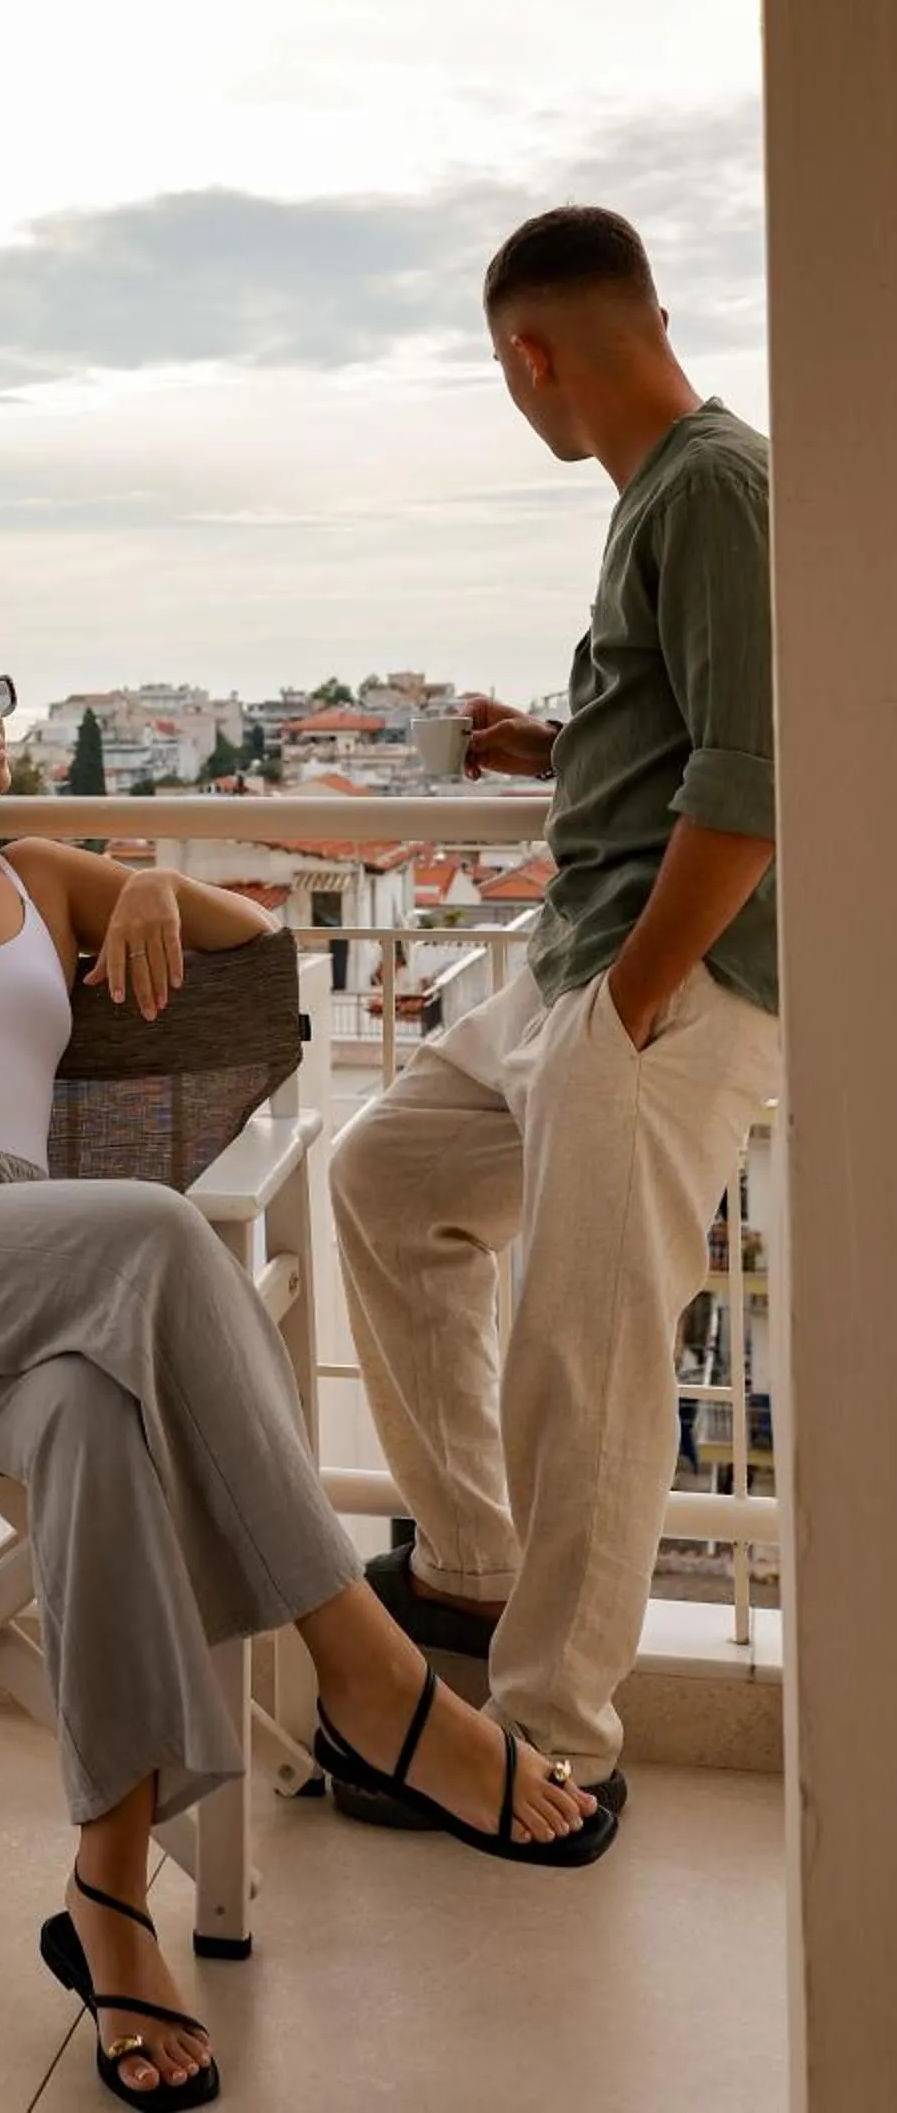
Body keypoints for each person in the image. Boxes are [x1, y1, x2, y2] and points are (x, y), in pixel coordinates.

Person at [0, 612, 609, 2109]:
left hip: (19, 1263)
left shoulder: (36, 879)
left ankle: (108, 1900)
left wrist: (161, 888)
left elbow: (255, 957)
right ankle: (371, 1683)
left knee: (97, 1422)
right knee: (159, 1237)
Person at [330, 206, 779, 1832]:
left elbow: (753, 777)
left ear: (530, 352)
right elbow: (674, 728)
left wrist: (643, 999)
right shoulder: (661, 491)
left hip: (660, 985)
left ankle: (553, 1748)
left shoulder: (718, 488)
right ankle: (470, 1562)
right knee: (385, 1183)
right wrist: (555, 743)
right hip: (575, 968)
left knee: (585, 1363)